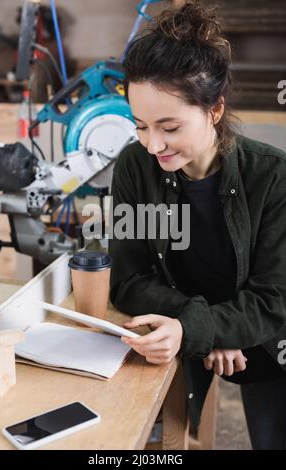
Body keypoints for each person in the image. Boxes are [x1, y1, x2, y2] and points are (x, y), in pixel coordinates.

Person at [109, 1, 286, 450]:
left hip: (270, 347)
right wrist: (200, 329)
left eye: (169, 126)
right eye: (140, 126)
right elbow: (128, 278)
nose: (153, 145)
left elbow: (273, 300)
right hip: (184, 340)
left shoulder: (273, 176)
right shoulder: (135, 167)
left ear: (214, 109)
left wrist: (199, 326)